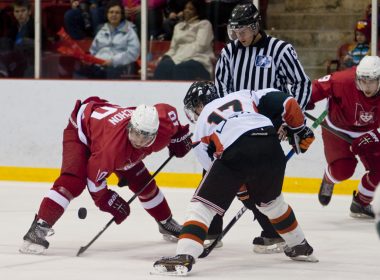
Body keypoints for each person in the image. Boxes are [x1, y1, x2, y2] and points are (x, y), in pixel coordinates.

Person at [152, 81, 318, 276]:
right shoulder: (243, 95)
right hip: (271, 147)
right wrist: (299, 129)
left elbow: (214, 169)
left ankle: (184, 256)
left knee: (202, 205)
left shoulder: (201, 126)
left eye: (194, 107)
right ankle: (300, 245)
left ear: (199, 104)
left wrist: (242, 191)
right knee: (272, 203)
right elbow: (286, 101)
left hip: (237, 150)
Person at [19, 96, 192, 255]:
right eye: (135, 133)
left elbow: (168, 111)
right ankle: (38, 230)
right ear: (130, 126)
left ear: (155, 133)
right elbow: (94, 181)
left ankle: (166, 222)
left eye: (145, 137)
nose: (138, 141)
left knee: (143, 183)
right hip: (82, 131)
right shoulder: (112, 149)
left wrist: (179, 136)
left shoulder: (162, 126)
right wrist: (108, 201)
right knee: (72, 182)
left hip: (106, 131)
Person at [209, 2, 312, 253]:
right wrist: (227, 121)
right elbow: (221, 88)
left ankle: (272, 231)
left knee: (259, 180)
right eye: (234, 31)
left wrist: (291, 123)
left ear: (256, 26)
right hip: (236, 125)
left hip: (268, 125)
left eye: (242, 31)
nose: (238, 36)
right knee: (214, 167)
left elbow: (300, 84)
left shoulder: (280, 50)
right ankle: (212, 228)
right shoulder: (229, 52)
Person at [307, 56, 380, 218]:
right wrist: (301, 101)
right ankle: (329, 179)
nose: (366, 87)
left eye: (371, 82)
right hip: (337, 129)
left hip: (367, 131)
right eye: (362, 81)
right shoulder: (342, 80)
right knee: (343, 171)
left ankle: (361, 203)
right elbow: (316, 88)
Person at [75, 0, 140, 79]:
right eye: (111, 12)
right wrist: (88, 59)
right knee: (78, 73)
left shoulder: (130, 31)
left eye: (117, 12)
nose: (114, 15)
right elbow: (93, 50)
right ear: (107, 14)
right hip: (98, 66)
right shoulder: (102, 30)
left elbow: (133, 53)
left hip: (117, 67)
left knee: (108, 73)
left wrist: (113, 61)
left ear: (122, 15)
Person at [153, 0, 215, 81]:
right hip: (177, 59)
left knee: (182, 68)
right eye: (185, 8)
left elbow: (200, 47)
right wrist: (165, 57)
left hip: (199, 59)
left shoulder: (204, 24)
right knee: (163, 66)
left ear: (198, 11)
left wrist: (179, 57)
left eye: (191, 9)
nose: (186, 11)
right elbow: (173, 49)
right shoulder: (178, 26)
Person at [0, 0, 41, 77]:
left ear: (29, 12)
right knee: (3, 41)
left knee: (23, 42)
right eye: (17, 11)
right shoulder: (14, 27)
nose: (20, 14)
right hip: (14, 57)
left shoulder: (35, 25)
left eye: (23, 11)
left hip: (29, 59)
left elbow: (40, 45)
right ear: (14, 13)